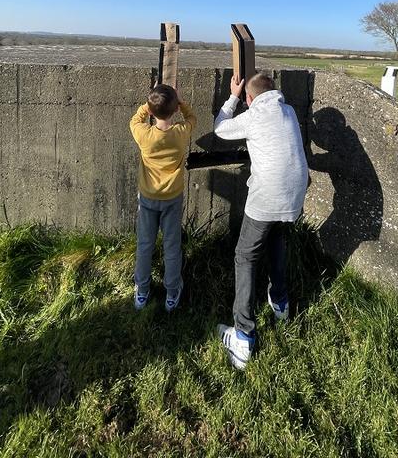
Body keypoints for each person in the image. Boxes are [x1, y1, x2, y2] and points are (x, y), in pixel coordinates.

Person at [214, 72, 308, 369]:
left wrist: (232, 97)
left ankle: (243, 334)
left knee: (245, 256)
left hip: (268, 194)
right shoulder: (289, 109)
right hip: (295, 193)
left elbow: (220, 129)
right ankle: (280, 301)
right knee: (278, 238)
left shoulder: (253, 116)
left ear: (250, 99)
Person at [129, 84, 196, 312]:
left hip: (148, 198)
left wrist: (146, 107)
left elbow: (134, 121)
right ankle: (172, 290)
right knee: (172, 245)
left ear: (151, 109)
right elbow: (192, 118)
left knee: (145, 244)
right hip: (172, 198)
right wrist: (181, 103)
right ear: (175, 109)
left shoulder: (145, 135)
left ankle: (143, 290)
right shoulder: (181, 132)